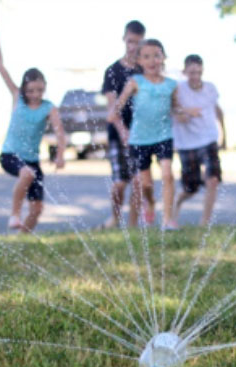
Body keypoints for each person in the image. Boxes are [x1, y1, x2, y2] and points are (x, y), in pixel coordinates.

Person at [0, 19, 66, 233]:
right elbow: (1, 67)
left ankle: (22, 238)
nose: (35, 95)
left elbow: (60, 133)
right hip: (10, 155)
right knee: (27, 174)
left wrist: (60, 154)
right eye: (31, 90)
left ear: (45, 88)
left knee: (38, 208)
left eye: (40, 90)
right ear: (24, 88)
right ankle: (14, 214)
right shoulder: (17, 98)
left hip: (32, 160)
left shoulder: (49, 107)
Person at [109, 39, 182, 230]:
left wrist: (185, 113)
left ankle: (167, 219)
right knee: (145, 184)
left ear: (163, 58)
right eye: (147, 56)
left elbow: (176, 107)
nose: (152, 60)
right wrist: (121, 128)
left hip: (163, 135)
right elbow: (117, 108)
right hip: (140, 139)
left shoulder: (171, 85)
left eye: (156, 55)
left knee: (167, 173)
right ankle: (150, 202)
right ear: (139, 61)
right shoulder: (135, 82)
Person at [101, 20, 146, 229]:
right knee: (120, 182)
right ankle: (115, 217)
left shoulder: (144, 71)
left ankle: (133, 225)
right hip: (117, 133)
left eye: (137, 42)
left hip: (141, 134)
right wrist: (123, 132)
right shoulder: (112, 71)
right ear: (123, 39)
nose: (133, 46)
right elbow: (113, 108)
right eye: (130, 41)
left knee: (138, 181)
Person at [172, 54, 226, 227]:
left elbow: (218, 111)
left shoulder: (210, 89)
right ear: (185, 72)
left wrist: (224, 136)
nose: (195, 77)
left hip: (209, 139)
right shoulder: (178, 90)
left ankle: (205, 223)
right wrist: (187, 112)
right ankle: (177, 204)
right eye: (191, 73)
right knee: (190, 188)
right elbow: (174, 113)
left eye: (198, 73)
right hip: (187, 144)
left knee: (213, 180)